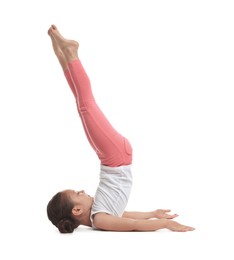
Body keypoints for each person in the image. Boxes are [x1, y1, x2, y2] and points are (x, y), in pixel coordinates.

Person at [47, 24, 195, 233]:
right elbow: (132, 225)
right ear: (77, 210)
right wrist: (166, 223)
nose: (82, 190)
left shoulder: (100, 212)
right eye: (77, 193)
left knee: (82, 106)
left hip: (112, 157)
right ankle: (69, 53)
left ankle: (61, 53)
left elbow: (125, 214)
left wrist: (153, 213)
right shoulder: (100, 219)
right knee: (86, 106)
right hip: (114, 156)